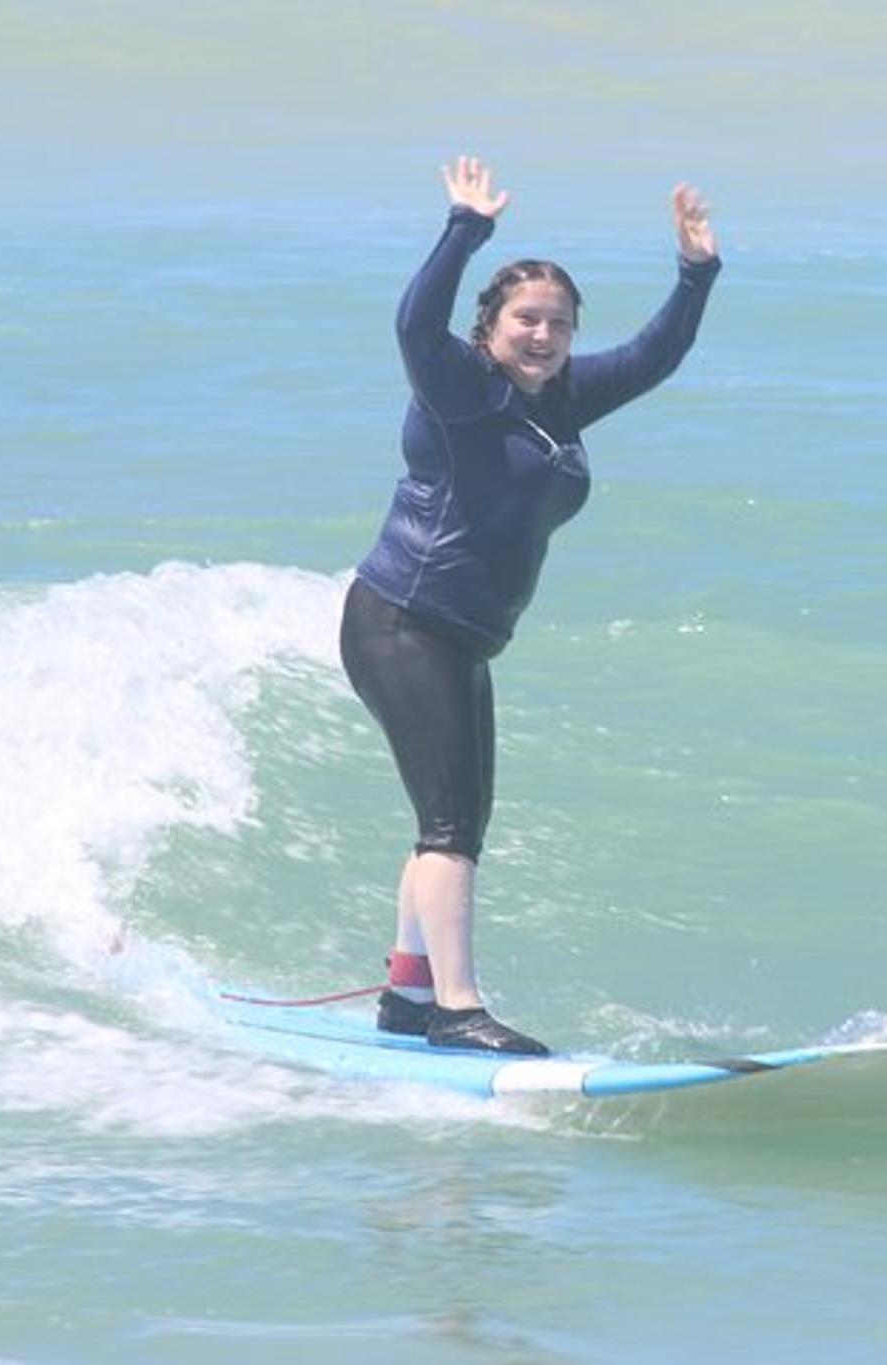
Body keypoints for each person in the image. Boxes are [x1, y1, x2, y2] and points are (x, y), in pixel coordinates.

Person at [340, 155, 722, 1055]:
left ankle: (408, 991)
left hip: (463, 640)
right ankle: (458, 1009)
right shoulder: (459, 387)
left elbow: (656, 354)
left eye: (558, 323)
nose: (543, 335)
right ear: (491, 326)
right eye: (526, 319)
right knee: (449, 829)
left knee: (453, 823)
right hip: (400, 619)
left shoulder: (568, 399)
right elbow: (412, 321)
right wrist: (465, 229)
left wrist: (696, 273)